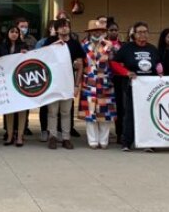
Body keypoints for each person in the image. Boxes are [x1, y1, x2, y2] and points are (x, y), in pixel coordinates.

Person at [115, 21, 163, 151]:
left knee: (149, 114)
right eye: (140, 32)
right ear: (134, 34)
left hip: (150, 87)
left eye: (145, 32)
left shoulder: (152, 49)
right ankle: (126, 142)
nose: (143, 35)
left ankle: (148, 143)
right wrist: (126, 73)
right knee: (130, 114)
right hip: (133, 86)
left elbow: (158, 64)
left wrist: (160, 71)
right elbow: (114, 63)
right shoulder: (126, 48)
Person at [44, 18, 85, 149]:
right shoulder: (50, 41)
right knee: (52, 111)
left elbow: (80, 66)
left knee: (66, 112)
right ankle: (52, 136)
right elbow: (41, 57)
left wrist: (77, 85)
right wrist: (53, 46)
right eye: (61, 26)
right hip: (53, 83)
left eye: (67, 26)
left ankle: (66, 138)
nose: (64, 28)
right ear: (56, 29)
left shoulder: (74, 44)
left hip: (68, 82)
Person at [79, 19, 116, 149]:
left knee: (105, 114)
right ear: (90, 32)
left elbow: (115, 62)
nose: (97, 33)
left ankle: (104, 140)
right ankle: (93, 140)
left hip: (105, 82)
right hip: (89, 82)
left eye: (99, 30)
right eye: (94, 31)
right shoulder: (84, 46)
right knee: (90, 113)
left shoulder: (110, 45)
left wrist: (110, 49)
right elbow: (80, 63)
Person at [0, 25, 29, 147]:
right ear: (7, 33)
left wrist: (25, 54)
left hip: (20, 81)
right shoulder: (1, 46)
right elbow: (0, 60)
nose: (14, 34)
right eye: (11, 31)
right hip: (6, 80)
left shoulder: (24, 46)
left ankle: (20, 136)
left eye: (16, 32)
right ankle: (10, 135)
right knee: (9, 110)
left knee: (21, 109)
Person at [107, 22, 130, 146]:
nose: (113, 32)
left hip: (121, 78)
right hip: (107, 79)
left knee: (122, 107)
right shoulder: (103, 45)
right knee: (109, 108)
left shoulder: (123, 45)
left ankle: (120, 134)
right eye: (111, 30)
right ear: (107, 32)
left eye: (116, 30)